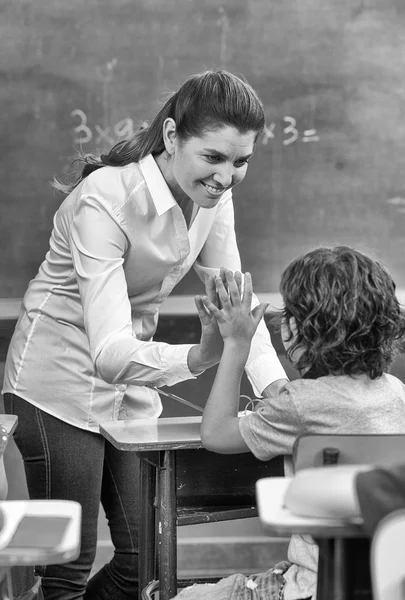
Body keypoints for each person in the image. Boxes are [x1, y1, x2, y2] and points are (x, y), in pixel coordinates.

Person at [1, 69, 287, 600]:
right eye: (214, 157)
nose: (226, 176)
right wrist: (199, 357)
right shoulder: (105, 199)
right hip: (55, 385)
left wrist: (276, 391)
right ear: (174, 136)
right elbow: (108, 354)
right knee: (65, 567)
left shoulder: (213, 198)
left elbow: (238, 304)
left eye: (241, 161)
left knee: (143, 566)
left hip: (132, 385)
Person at [172, 246, 405, 600]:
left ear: (305, 330)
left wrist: (236, 343)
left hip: (311, 586)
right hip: (385, 579)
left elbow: (215, 433)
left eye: (290, 312)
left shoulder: (298, 405)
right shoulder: (398, 393)